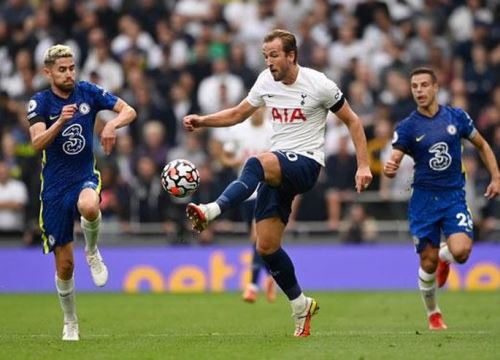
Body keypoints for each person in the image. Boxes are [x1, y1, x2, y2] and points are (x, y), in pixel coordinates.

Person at [183, 29, 372, 337]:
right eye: (265, 56)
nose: (269, 61)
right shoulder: (265, 81)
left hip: (307, 163)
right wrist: (203, 121)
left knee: (256, 161)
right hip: (279, 167)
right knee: (267, 246)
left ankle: (212, 210)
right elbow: (238, 113)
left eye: (274, 55)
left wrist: (363, 165)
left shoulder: (319, 84)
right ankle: (301, 305)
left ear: (291, 55)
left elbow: (353, 120)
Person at [27, 44, 136, 341]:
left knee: (90, 206)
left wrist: (112, 124)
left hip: (84, 176)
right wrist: (60, 120)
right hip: (53, 189)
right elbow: (37, 143)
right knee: (64, 266)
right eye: (62, 70)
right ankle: (70, 321)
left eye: (72, 68)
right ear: (47, 72)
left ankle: (92, 250)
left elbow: (129, 109)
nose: (69, 74)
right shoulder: (40, 103)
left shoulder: (87, 92)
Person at [383, 67, 499, 330]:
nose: (420, 91)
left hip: (453, 196)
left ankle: (446, 258)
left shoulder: (456, 117)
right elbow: (396, 158)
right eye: (415, 87)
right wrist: (391, 168)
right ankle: (433, 313)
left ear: (436, 88)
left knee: (461, 252)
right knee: (427, 260)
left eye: (424, 85)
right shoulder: (408, 126)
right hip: (423, 200)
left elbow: (481, 144)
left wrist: (496, 176)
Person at [219, 107, 276, 303]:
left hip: (266, 189)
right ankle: (271, 276)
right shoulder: (238, 131)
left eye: (261, 109)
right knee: (259, 241)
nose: (257, 112)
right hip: (244, 192)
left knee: (256, 235)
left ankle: (252, 286)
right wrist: (233, 161)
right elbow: (224, 157)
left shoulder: (273, 130)